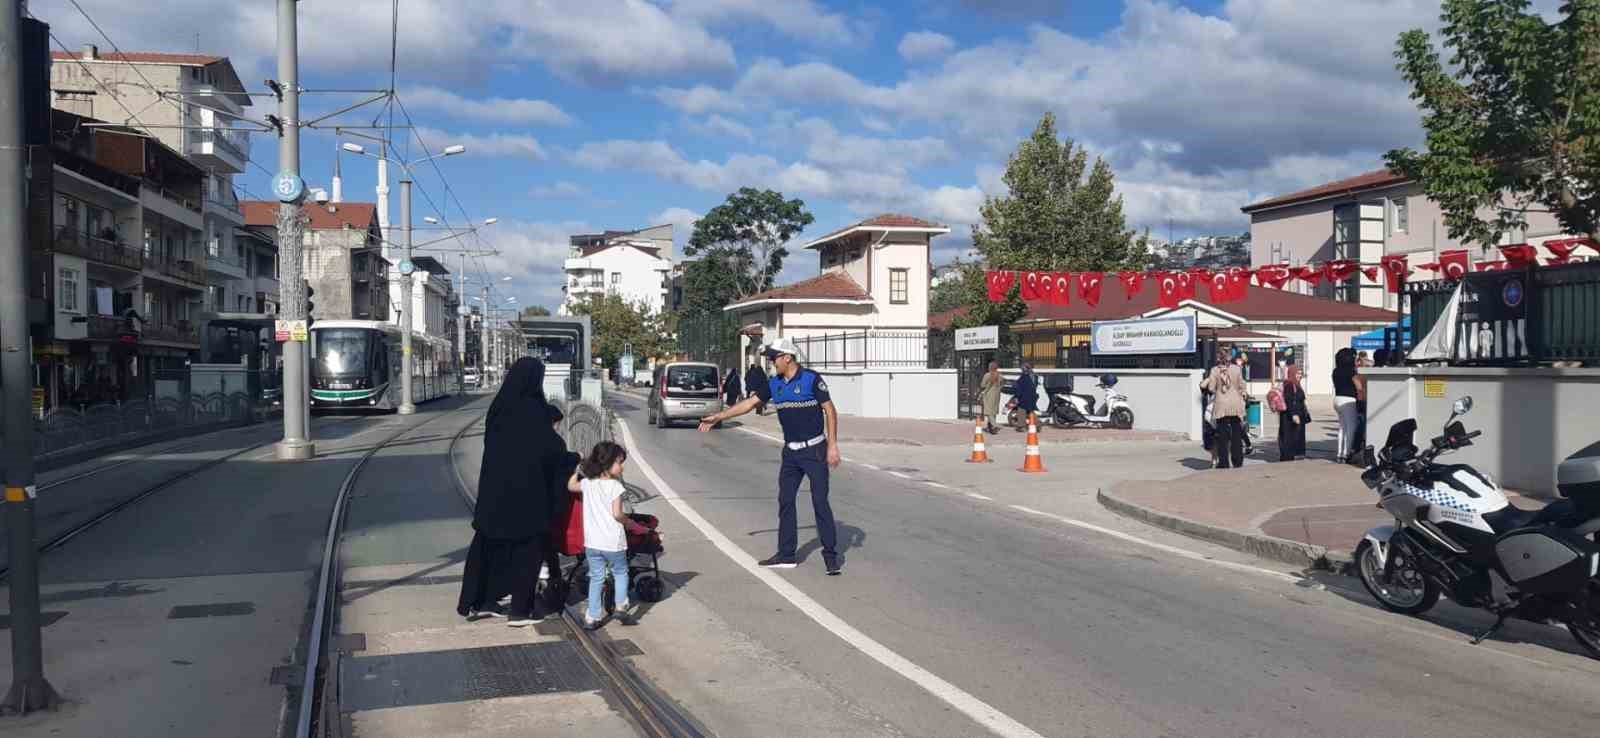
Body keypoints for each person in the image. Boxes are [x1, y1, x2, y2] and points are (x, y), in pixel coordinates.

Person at [700, 338, 843, 575]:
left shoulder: (811, 379)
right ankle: (787, 555)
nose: (771, 362)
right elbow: (748, 404)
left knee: (820, 502)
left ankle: (831, 556)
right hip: (791, 453)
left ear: (787, 357)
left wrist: (833, 446)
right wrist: (719, 417)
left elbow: (829, 410)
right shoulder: (774, 383)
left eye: (774, 358)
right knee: (786, 500)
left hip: (815, 450)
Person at [456, 357, 563, 627]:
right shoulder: (535, 411)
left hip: (494, 493)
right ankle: (519, 610)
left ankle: (482, 600)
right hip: (526, 497)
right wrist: (573, 457)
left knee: (489, 546)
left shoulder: (500, 407)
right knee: (528, 550)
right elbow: (549, 451)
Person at [568, 442, 651, 629]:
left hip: (592, 543)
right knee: (621, 572)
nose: (622, 466)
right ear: (607, 463)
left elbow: (571, 486)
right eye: (619, 462)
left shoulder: (587, 484)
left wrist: (578, 470)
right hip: (613, 543)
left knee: (596, 577)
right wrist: (631, 524)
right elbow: (617, 514)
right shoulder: (615, 487)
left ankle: (592, 617)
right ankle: (621, 607)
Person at [1201, 350, 1247, 468]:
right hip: (1235, 404)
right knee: (1236, 434)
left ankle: (1224, 462)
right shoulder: (1237, 369)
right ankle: (1237, 461)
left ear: (1218, 358)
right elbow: (1242, 385)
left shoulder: (1215, 370)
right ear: (1229, 358)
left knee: (1222, 436)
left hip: (1221, 405)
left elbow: (1211, 388)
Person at [1332, 348, 1365, 464]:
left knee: (1342, 428)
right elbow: (1359, 387)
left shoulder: (1335, 371)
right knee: (1351, 427)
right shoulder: (1352, 372)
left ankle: (1339, 454)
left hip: (1337, 399)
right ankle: (1346, 453)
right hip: (1349, 400)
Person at [1275, 364, 1310, 461]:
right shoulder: (1289, 384)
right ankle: (1288, 458)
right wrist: (1294, 414)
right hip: (1290, 417)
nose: (1299, 375)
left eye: (1301, 373)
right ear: (1292, 373)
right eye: (1297, 373)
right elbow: (1289, 400)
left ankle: (1295, 455)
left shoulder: (1296, 384)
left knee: (1295, 437)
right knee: (1289, 437)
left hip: (1296, 415)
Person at [979, 360, 1002, 434]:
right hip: (997, 395)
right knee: (993, 411)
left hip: (988, 395)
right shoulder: (999, 376)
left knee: (988, 412)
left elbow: (982, 385)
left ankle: (994, 426)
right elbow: (1002, 384)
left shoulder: (987, 375)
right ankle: (990, 427)